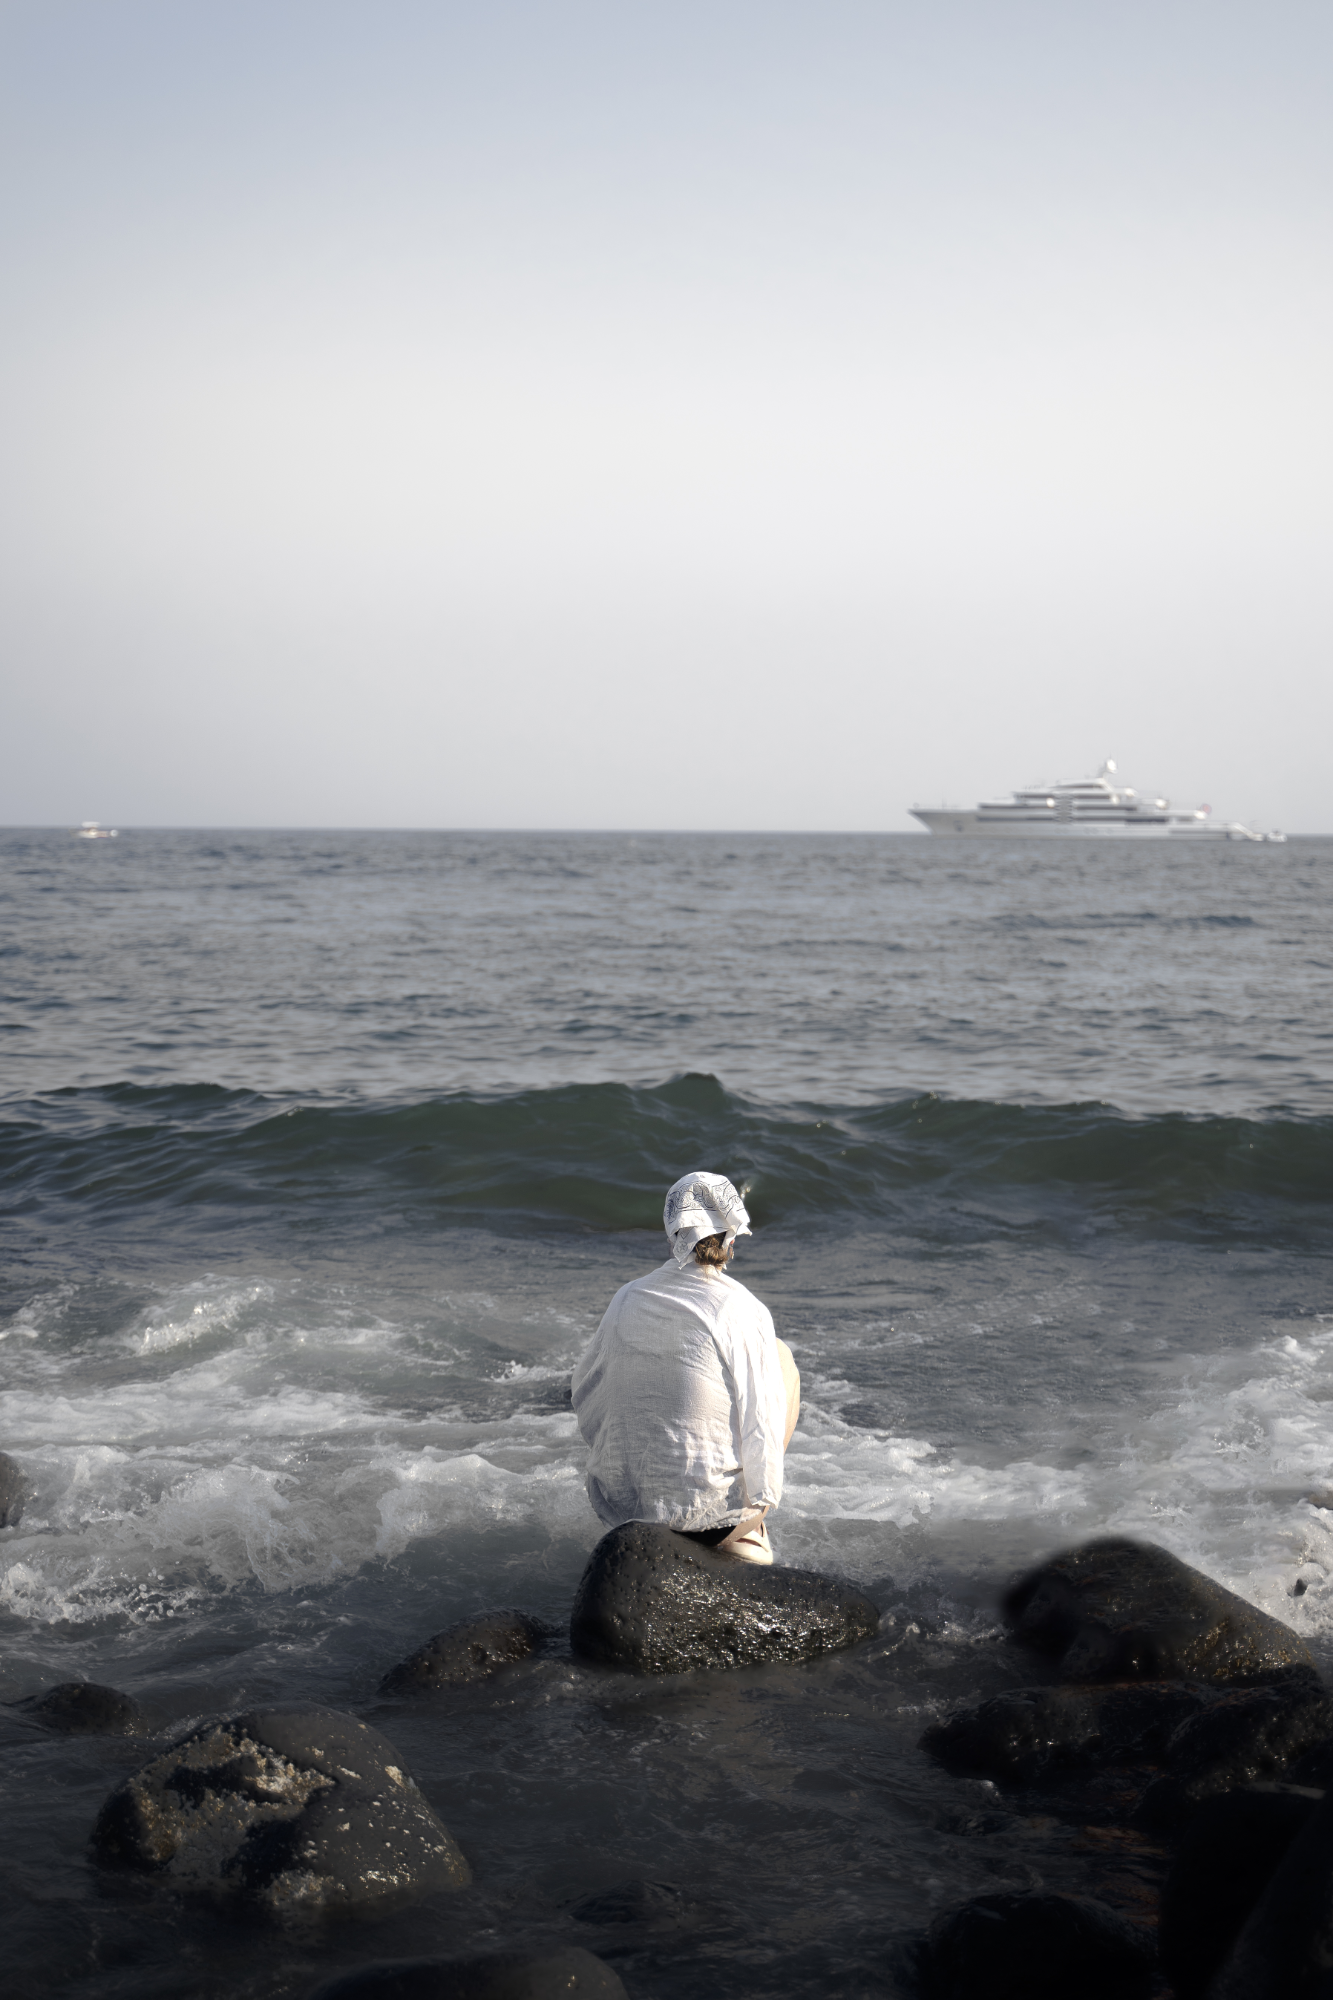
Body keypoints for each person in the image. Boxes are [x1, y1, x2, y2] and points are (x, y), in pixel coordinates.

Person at [570, 1171, 800, 1564]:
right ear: (730, 1234)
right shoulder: (741, 1307)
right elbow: (760, 1416)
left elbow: (585, 1388)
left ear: (672, 1229)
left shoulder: (627, 1296)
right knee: (782, 1360)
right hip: (709, 1521)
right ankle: (752, 1525)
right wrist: (762, 1502)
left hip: (623, 1513)